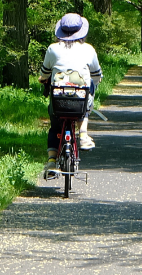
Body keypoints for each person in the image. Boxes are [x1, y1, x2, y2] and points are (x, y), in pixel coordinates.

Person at [39, 12, 102, 177]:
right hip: (80, 100)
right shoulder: (88, 49)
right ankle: (84, 134)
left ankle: (52, 161)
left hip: (59, 99)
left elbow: (44, 73)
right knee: (89, 87)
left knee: (55, 126)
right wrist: (94, 81)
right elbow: (96, 75)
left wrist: (43, 79)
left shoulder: (53, 49)